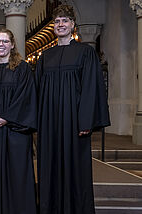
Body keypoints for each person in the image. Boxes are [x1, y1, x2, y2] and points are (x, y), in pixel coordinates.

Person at [36, 5, 110, 214]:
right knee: (50, 167)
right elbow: (38, 90)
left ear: (72, 25)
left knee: (75, 169)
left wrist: (85, 120)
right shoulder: (45, 57)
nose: (60, 24)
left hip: (74, 122)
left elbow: (90, 88)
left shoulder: (85, 53)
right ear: (53, 26)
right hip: (49, 122)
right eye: (57, 21)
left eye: (65, 21)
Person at [0, 29, 38, 214]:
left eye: (4, 41)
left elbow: (25, 98)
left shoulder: (22, 69)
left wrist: (6, 118)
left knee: (16, 175)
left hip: (15, 133)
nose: (1, 44)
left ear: (12, 44)